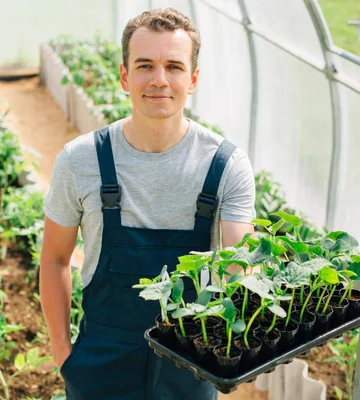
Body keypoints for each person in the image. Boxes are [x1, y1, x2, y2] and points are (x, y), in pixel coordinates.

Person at [40, 7, 256, 400]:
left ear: (192, 80)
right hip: (100, 366)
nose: (159, 80)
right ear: (125, 77)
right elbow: (54, 259)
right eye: (145, 66)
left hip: (190, 366)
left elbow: (240, 264)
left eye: (174, 66)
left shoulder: (224, 165)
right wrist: (64, 356)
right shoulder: (81, 160)